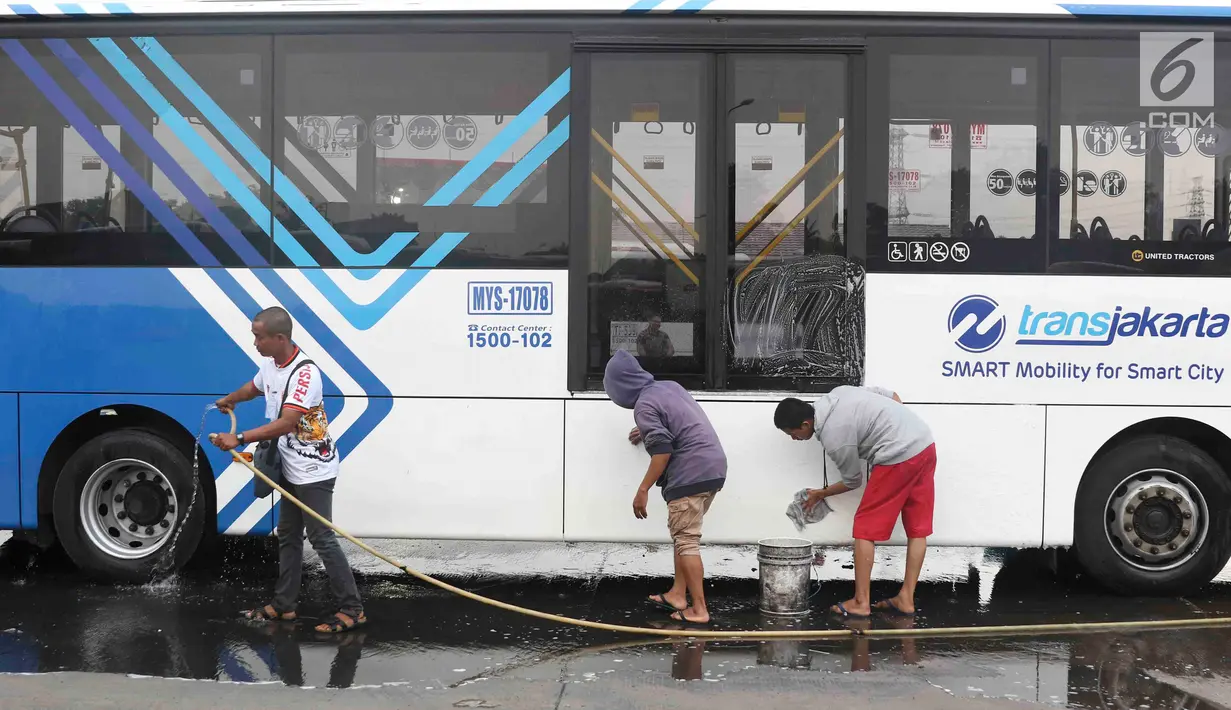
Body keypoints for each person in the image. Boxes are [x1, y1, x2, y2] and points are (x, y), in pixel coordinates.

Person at [210, 306, 366, 634]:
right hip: (290, 465)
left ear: (280, 338)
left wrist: (238, 438)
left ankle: (352, 609)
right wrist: (231, 399)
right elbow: (254, 388)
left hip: (314, 469)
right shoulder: (271, 365)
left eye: (259, 337)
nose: (255, 342)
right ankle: (284, 605)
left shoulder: (305, 374)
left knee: (321, 537)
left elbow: (286, 423)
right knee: (288, 535)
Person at [773, 386, 935, 619]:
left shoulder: (834, 436)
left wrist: (820, 494)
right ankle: (906, 599)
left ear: (806, 424)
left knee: (864, 528)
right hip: (925, 444)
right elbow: (893, 397)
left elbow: (852, 481)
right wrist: (898, 429)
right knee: (917, 528)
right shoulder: (839, 393)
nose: (793, 438)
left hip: (896, 456)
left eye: (792, 433)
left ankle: (861, 602)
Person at [604, 349, 726, 624]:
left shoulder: (643, 406)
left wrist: (643, 489)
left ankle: (699, 609)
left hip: (690, 473)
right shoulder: (668, 387)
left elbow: (662, 452)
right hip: (713, 467)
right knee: (682, 536)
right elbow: (676, 421)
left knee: (686, 541)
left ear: (619, 387)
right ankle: (677, 595)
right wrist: (646, 429)